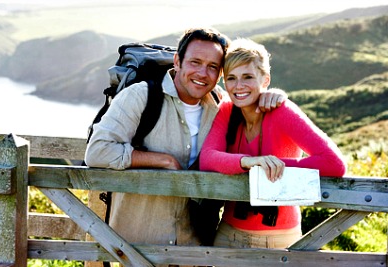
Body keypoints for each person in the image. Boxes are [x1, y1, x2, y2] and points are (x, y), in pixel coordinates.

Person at [85, 28, 287, 266]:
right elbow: (97, 151)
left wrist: (270, 95)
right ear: (177, 61)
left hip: (195, 248)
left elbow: (250, 110)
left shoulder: (220, 105)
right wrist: (161, 160)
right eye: (195, 62)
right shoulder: (140, 96)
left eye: (213, 66)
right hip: (138, 247)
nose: (203, 73)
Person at [199, 38, 347, 250]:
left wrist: (275, 166)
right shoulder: (227, 109)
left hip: (278, 238)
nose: (238, 86)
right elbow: (207, 159)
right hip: (228, 233)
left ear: (265, 80)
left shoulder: (281, 111)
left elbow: (334, 163)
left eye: (248, 77)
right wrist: (251, 162)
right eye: (231, 78)